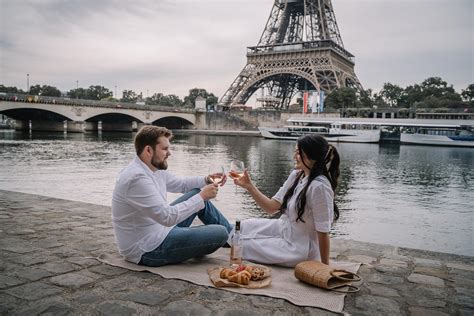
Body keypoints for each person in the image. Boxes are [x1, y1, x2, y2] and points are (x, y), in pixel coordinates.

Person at [112, 125, 232, 267]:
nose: (169, 153)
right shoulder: (136, 178)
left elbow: (180, 184)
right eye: (164, 149)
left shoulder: (153, 168)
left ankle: (236, 238)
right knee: (219, 232)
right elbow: (167, 217)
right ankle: (231, 237)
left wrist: (206, 179)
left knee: (194, 194)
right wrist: (202, 197)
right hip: (147, 248)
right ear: (148, 150)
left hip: (160, 230)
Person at [231, 134, 340, 267]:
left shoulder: (319, 187)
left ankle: (219, 236)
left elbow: (323, 232)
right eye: (295, 152)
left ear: (312, 157)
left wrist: (325, 267)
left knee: (241, 246)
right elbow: (271, 208)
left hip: (299, 248)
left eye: (299, 153)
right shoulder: (297, 175)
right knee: (241, 227)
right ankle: (221, 235)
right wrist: (249, 186)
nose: (294, 156)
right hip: (283, 229)